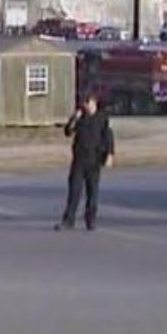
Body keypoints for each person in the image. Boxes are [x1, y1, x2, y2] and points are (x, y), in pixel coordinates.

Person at [57, 93, 114, 231]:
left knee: (92, 192)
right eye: (84, 102)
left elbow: (108, 136)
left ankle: (90, 220)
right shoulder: (80, 117)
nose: (85, 105)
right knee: (74, 191)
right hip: (79, 160)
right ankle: (68, 220)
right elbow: (68, 132)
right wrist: (73, 119)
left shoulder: (102, 118)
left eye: (88, 102)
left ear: (94, 103)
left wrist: (110, 154)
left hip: (94, 159)